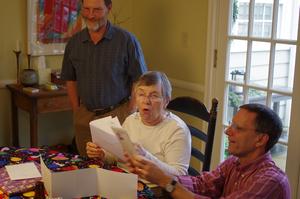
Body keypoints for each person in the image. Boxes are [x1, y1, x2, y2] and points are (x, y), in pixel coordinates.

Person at [126, 103, 291, 199]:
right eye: (231, 125)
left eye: (238, 128)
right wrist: (154, 171)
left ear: (260, 140)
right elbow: (201, 185)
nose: (228, 132)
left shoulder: (271, 182)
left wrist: (166, 182)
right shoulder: (233, 163)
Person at [61, 0, 147, 156]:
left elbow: (139, 80)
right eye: (86, 9)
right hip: (84, 117)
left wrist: (130, 111)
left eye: (97, 10)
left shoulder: (127, 40)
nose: (91, 15)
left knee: (117, 167)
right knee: (85, 167)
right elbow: (70, 79)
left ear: (109, 8)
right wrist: (76, 110)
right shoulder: (74, 43)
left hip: (117, 116)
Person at [86, 71, 191, 176]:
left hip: (154, 188)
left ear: (166, 101)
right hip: (124, 179)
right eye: (141, 94)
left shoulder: (177, 130)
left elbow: (180, 175)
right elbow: (119, 156)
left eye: (154, 96)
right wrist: (102, 154)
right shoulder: (131, 120)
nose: (146, 101)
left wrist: (145, 156)